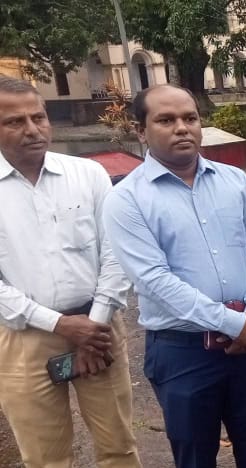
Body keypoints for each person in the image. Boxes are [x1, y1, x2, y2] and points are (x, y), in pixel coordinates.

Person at [103, 84, 246, 468]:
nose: (182, 128)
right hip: (184, 353)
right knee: (196, 459)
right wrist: (234, 323)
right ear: (141, 131)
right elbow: (155, 280)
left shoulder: (235, 181)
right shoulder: (126, 199)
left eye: (190, 118)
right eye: (166, 120)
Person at [0, 75, 141, 468]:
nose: (32, 130)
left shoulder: (88, 174)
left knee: (119, 447)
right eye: (14, 122)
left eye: (38, 117)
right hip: (24, 337)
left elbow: (116, 253)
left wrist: (93, 325)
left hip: (99, 329)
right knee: (45, 458)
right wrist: (60, 325)